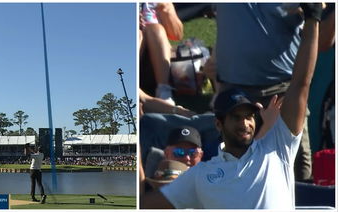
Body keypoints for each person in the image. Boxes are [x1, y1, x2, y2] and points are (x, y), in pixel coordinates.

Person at [140, 3, 321, 209]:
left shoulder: (278, 147)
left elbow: (301, 84)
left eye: (249, 116)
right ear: (218, 124)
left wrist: (313, 19)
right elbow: (144, 205)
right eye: (235, 117)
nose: (244, 123)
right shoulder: (200, 176)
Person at [204, 2, 334, 182]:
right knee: (231, 171)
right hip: (234, 92)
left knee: (297, 174)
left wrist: (312, 13)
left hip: (283, 90)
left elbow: (325, 38)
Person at [140, 2, 183, 105]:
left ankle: (163, 91)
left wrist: (166, 9)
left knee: (156, 29)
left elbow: (177, 34)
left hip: (156, 62)